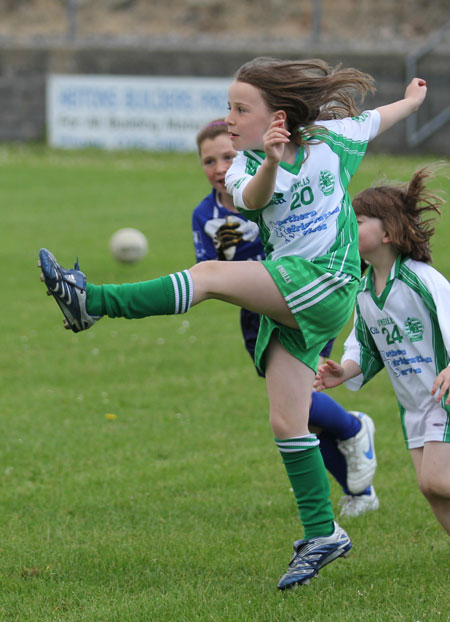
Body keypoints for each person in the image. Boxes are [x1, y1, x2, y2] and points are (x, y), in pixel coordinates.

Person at [38, 57, 427, 589]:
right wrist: (267, 159)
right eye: (228, 107)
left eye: (241, 108)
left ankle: (93, 301)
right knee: (287, 422)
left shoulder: (331, 141)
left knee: (211, 275)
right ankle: (323, 534)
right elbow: (253, 198)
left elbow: (381, 117)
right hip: (294, 284)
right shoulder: (245, 163)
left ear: (279, 113)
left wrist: (414, 98)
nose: (230, 117)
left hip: (327, 281)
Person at [193, 118, 378, 516]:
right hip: (255, 314)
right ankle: (359, 490)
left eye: (228, 155)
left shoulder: (272, 183)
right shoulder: (205, 214)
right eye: (209, 161)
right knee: (301, 419)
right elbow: (208, 272)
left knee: (297, 404)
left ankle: (352, 427)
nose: (220, 167)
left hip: (303, 300)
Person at [314, 166, 450, 537]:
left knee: (439, 481)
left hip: (444, 397)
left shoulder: (421, 279)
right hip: (413, 404)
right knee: (429, 487)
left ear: (388, 232)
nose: (348, 227)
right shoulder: (363, 289)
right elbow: (367, 343)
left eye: (357, 221)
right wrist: (345, 369)